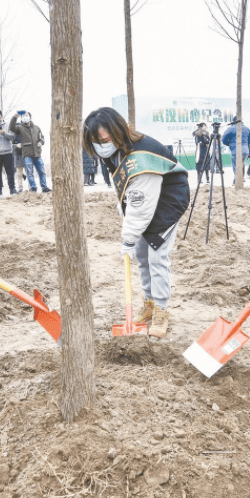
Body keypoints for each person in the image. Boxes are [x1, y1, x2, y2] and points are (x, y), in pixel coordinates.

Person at [83, 107, 189, 339]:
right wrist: (131, 233)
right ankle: (149, 303)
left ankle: (161, 309)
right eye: (96, 141)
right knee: (141, 256)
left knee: (157, 257)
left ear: (118, 130)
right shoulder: (116, 151)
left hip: (166, 203)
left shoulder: (141, 155)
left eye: (106, 139)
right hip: (146, 200)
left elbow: (141, 204)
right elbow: (129, 195)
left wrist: (128, 237)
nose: (102, 144)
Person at [8, 110, 51, 193]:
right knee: (29, 172)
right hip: (27, 154)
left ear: (30, 117)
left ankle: (44, 187)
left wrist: (41, 142)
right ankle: (33, 187)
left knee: (42, 171)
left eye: (27, 115)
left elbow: (41, 138)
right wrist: (15, 116)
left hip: (37, 154)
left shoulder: (36, 128)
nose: (25, 117)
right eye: (23, 116)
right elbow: (11, 128)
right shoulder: (20, 128)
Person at [222, 118, 250, 185]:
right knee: (242, 163)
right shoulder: (247, 129)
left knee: (236, 165)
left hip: (235, 150)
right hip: (245, 151)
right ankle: (241, 178)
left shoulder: (230, 129)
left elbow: (224, 140)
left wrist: (230, 144)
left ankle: (237, 181)